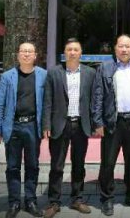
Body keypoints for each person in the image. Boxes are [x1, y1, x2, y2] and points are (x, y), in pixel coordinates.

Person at [42, 38, 97, 218]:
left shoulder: (90, 73)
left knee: (79, 165)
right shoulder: (54, 72)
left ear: (81, 53)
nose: (72, 52)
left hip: (81, 124)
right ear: (64, 53)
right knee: (56, 166)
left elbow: (94, 100)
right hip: (60, 124)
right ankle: (53, 202)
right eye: (69, 49)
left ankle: (77, 199)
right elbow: (47, 100)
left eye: (76, 49)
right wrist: (46, 124)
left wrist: (96, 124)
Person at [91, 34, 130, 216]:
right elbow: (98, 96)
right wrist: (98, 121)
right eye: (121, 46)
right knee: (108, 162)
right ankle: (107, 199)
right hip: (112, 122)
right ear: (115, 48)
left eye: (127, 46)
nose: (124, 49)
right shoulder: (105, 67)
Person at [0, 42, 46, 218]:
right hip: (13, 126)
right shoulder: (7, 76)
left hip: (33, 126)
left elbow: (47, 103)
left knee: (33, 165)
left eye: (30, 51)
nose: (26, 54)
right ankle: (14, 202)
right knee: (12, 166)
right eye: (23, 51)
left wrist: (46, 126)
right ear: (18, 55)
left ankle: (31, 201)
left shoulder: (43, 75)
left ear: (35, 55)